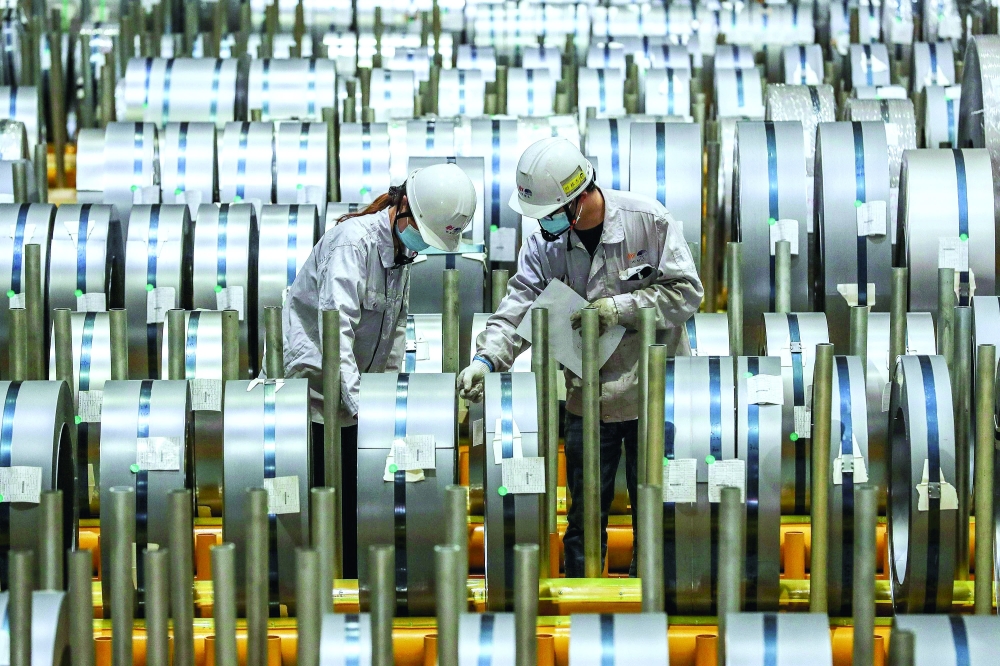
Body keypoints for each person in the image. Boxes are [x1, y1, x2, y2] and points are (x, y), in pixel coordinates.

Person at [458, 138, 702, 577]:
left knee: (657, 513)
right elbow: (519, 307)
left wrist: (620, 308)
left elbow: (686, 293)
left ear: (578, 197)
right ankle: (582, 601)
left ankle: (650, 597)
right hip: (586, 398)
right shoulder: (543, 244)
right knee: (584, 520)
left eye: (550, 213)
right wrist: (485, 359)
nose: (544, 223)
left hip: (654, 396)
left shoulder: (648, 221)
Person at [283, 163, 477, 577]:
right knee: (330, 511)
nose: (420, 247)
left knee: (363, 509)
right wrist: (368, 413)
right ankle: (331, 591)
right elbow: (336, 336)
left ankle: (360, 585)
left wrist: (388, 404)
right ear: (403, 208)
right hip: (319, 402)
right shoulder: (352, 245)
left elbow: (395, 332)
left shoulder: (401, 253)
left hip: (357, 403)